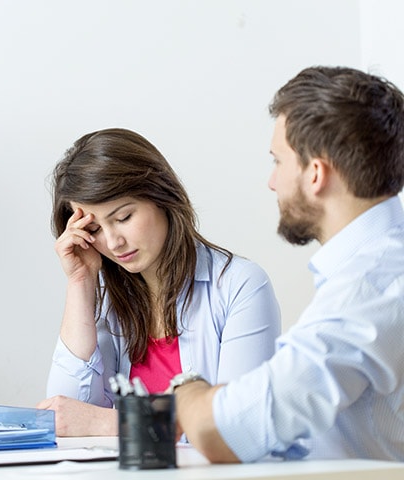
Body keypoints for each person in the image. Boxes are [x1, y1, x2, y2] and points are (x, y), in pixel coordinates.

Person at [172, 66, 404, 463]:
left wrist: (186, 389)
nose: (272, 182)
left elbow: (220, 431)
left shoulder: (371, 284)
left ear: (315, 173)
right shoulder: (375, 269)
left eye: (278, 161)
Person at [36, 128, 281, 436]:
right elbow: (65, 416)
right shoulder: (108, 302)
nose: (113, 242)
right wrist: (80, 282)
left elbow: (236, 425)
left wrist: (105, 423)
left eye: (123, 218)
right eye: (95, 230)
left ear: (161, 196)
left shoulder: (240, 286)